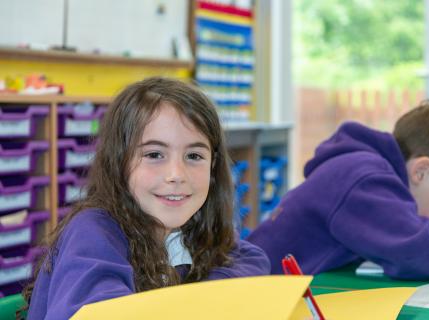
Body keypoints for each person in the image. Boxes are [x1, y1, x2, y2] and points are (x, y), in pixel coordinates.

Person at [23, 77, 270, 319]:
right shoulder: (93, 230)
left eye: (194, 156)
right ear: (119, 162)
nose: (176, 175)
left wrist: (201, 297)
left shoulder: (188, 230)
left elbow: (252, 259)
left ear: (213, 167)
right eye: (154, 154)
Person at [248, 98, 429, 280]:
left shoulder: (369, 171)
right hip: (251, 304)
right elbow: (419, 250)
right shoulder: (364, 179)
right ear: (421, 171)